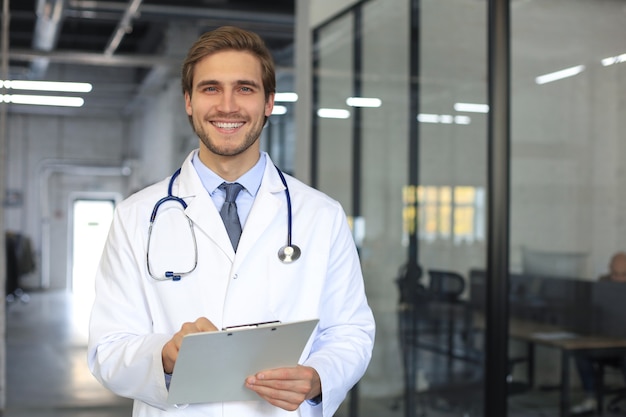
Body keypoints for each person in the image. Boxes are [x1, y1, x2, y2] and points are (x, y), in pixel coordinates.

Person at [87, 26, 375, 417]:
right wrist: (165, 356)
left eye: (245, 88)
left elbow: (351, 331)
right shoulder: (136, 216)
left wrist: (318, 376)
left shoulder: (320, 215)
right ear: (188, 101)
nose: (227, 106)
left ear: (269, 102)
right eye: (210, 89)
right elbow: (107, 348)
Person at [571, 252, 626, 414]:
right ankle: (590, 398)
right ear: (610, 270)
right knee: (581, 352)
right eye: (615, 274)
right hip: (607, 342)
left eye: (623, 275)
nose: (618, 279)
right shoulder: (603, 284)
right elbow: (590, 311)